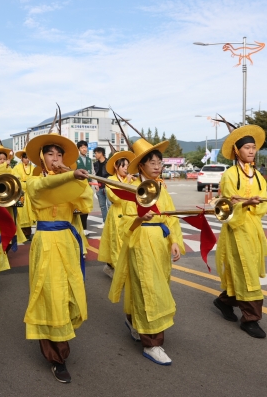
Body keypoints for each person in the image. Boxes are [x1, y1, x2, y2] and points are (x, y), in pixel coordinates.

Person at [23, 128, 93, 383]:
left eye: (59, 154)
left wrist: (75, 178)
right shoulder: (33, 180)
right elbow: (41, 188)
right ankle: (56, 356)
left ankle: (61, 337)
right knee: (48, 293)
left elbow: (86, 203)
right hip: (45, 240)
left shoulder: (71, 179)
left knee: (67, 292)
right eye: (49, 154)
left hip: (67, 240)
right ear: (41, 159)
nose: (54, 158)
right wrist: (70, 174)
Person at [108, 137, 185, 366]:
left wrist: (173, 241)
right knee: (149, 290)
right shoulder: (131, 189)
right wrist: (140, 218)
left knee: (155, 286)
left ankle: (133, 320)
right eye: (152, 162)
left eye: (159, 162)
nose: (157, 165)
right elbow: (124, 225)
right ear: (141, 165)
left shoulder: (162, 188)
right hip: (141, 242)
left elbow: (171, 218)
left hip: (160, 243)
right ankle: (152, 343)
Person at [212, 124, 267, 338]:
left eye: (254, 147)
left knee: (247, 270)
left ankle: (223, 301)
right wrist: (245, 204)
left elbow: (264, 203)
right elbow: (227, 206)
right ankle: (251, 318)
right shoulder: (229, 175)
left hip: (253, 229)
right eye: (247, 147)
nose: (252, 151)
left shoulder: (258, 176)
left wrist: (256, 203)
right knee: (246, 273)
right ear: (237, 151)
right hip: (236, 230)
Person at [97, 150, 135, 278]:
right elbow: (115, 197)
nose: (126, 169)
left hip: (129, 213)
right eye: (123, 166)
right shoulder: (110, 180)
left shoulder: (131, 179)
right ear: (116, 166)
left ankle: (114, 267)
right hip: (117, 213)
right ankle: (119, 271)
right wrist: (127, 183)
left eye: (128, 166)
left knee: (128, 242)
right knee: (117, 242)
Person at [12, 151, 35, 240]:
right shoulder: (16, 168)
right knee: (21, 211)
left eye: (28, 158)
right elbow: (15, 179)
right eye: (25, 157)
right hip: (21, 192)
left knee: (29, 212)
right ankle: (21, 233)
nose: (27, 159)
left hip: (29, 192)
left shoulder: (32, 167)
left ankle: (28, 233)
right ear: (21, 158)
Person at [75, 140, 93, 232]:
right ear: (79, 149)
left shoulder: (90, 160)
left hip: (88, 186)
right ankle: (79, 226)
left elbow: (93, 173)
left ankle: (84, 227)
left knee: (87, 206)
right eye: (82, 147)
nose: (84, 149)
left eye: (85, 147)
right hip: (78, 186)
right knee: (79, 207)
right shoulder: (75, 159)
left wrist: (95, 183)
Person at [93, 146, 111, 222]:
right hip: (99, 187)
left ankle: (111, 222)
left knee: (110, 205)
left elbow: (111, 175)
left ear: (101, 153)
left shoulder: (109, 163)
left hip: (108, 187)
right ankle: (105, 222)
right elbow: (95, 175)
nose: (95, 155)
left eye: (96, 153)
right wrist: (96, 184)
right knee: (102, 206)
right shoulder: (95, 164)